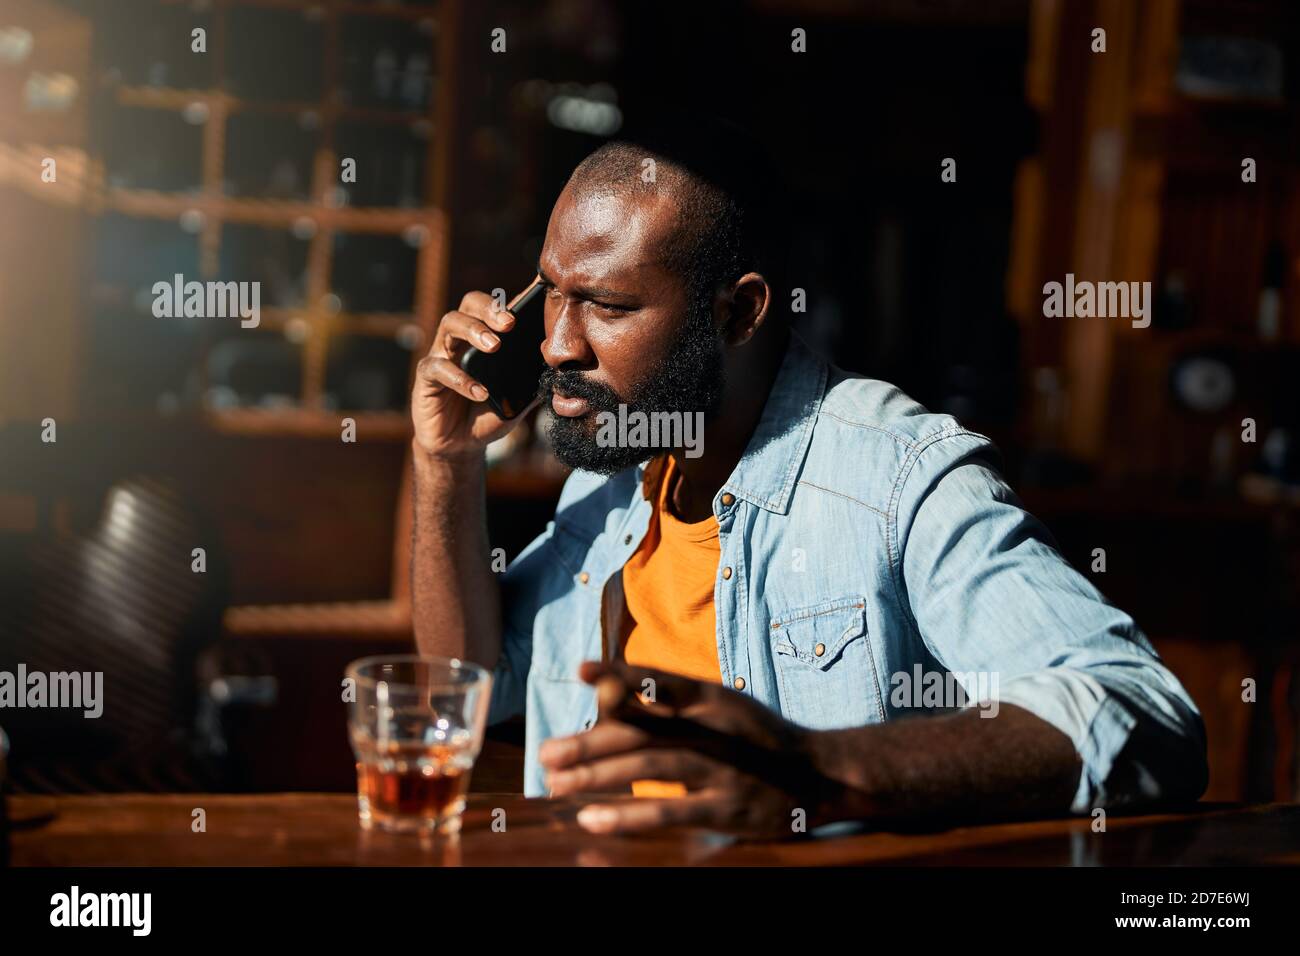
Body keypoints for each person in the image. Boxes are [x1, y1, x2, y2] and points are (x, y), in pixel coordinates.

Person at [409, 120, 1207, 838]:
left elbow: (1141, 709)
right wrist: (444, 463)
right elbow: (471, 691)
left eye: (608, 306)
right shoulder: (616, 472)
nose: (556, 346)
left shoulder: (899, 478)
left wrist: (815, 770)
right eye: (553, 293)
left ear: (740, 313)